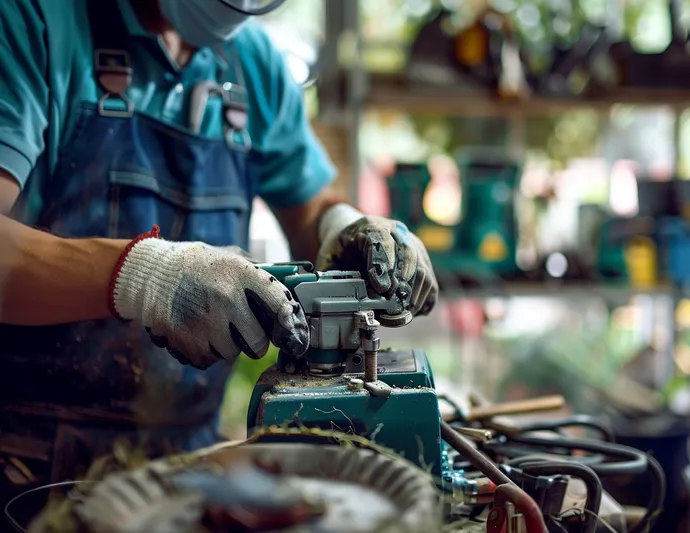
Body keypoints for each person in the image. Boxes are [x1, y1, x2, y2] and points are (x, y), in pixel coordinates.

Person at [0, 0, 438, 519]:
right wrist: (146, 276)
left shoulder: (253, 62)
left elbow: (310, 206)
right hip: (31, 464)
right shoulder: (34, 21)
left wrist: (340, 224)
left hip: (193, 460)